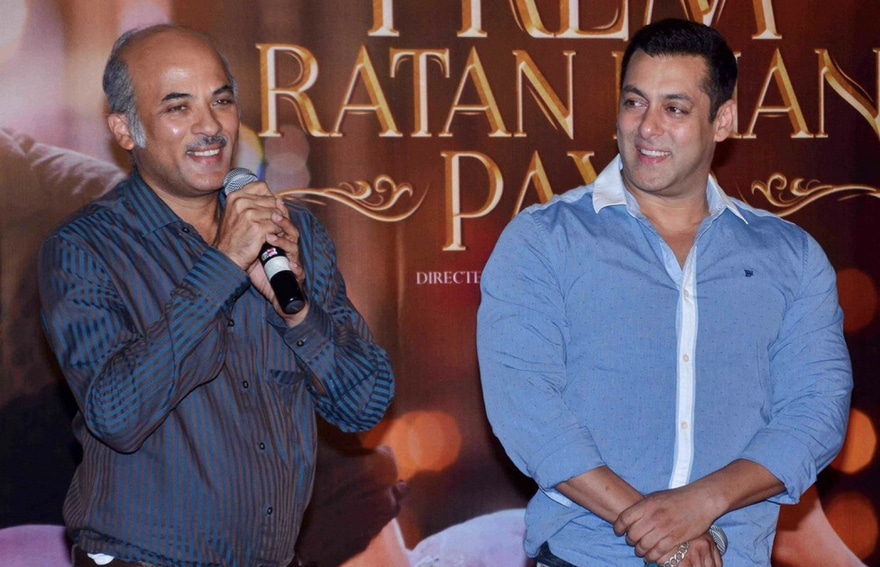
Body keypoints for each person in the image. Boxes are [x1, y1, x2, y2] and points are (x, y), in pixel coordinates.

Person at [477, 18, 852, 567]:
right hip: (583, 558)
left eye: (674, 108)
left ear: (722, 120)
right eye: (635, 102)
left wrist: (704, 503)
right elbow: (528, 410)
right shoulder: (544, 239)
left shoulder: (790, 256)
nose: (647, 127)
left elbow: (816, 411)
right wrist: (665, 530)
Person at [38, 24, 394, 567]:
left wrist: (297, 312)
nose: (210, 126)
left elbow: (364, 404)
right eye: (178, 107)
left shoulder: (291, 232)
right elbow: (117, 415)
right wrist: (223, 266)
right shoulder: (84, 249)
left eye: (221, 101)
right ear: (125, 129)